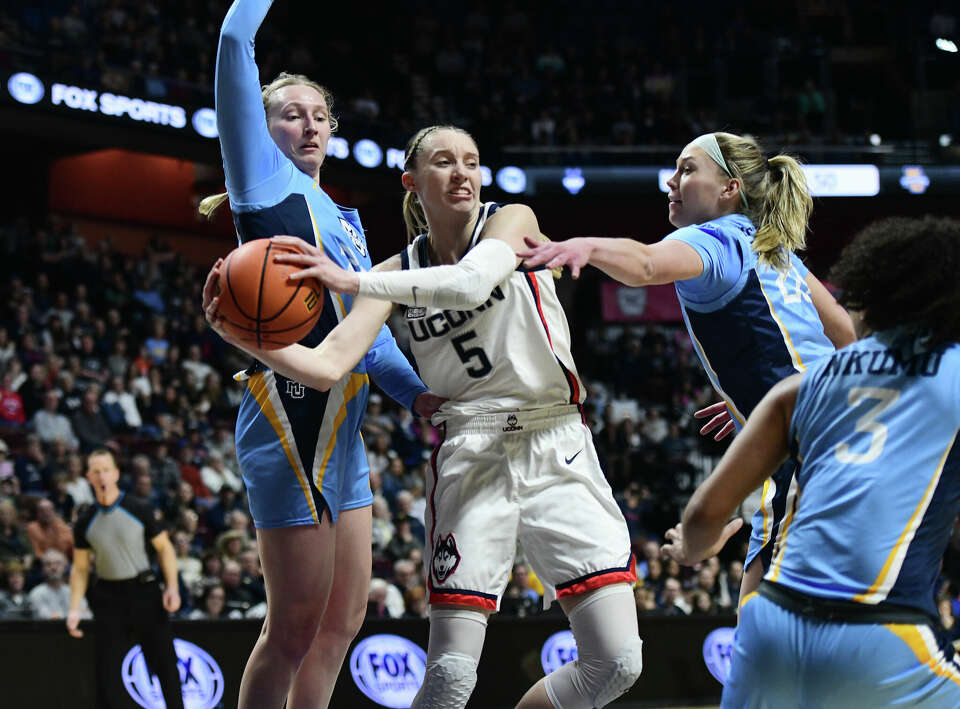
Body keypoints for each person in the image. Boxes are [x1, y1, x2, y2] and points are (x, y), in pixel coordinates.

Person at [204, 125, 643, 709]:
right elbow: (328, 364)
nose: (462, 172)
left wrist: (352, 279)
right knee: (449, 681)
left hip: (556, 439)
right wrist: (242, 336)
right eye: (443, 162)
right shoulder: (393, 272)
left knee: (617, 662)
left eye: (471, 160)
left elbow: (471, 282)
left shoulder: (510, 221)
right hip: (472, 452)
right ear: (413, 182)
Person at [199, 2, 440, 707]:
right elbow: (234, 36)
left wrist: (419, 396)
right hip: (290, 412)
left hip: (345, 427)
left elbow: (372, 334)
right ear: (260, 129)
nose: (308, 124)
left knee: (341, 622)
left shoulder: (341, 219)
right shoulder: (262, 182)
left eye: (319, 115)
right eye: (289, 113)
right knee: (293, 628)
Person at [520, 131, 855, 603]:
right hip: (847, 435)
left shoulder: (715, 239)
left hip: (806, 449)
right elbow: (846, 337)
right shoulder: (778, 254)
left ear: (729, 189)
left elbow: (646, 264)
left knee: (765, 645)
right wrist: (757, 393)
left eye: (687, 169)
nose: (671, 181)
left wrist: (587, 248)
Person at [661, 215, 960, 706]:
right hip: (882, 629)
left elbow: (701, 518)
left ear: (867, 298)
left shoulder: (803, 386)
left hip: (771, 625)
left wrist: (691, 550)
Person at [67, 449, 184, 709]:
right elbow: (80, 569)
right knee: (106, 671)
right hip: (109, 598)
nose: (102, 476)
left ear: (116, 473)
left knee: (165, 663)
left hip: (145, 592)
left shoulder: (139, 508)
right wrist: (74, 608)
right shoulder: (84, 521)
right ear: (88, 477)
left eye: (106, 469)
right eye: (95, 471)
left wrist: (172, 588)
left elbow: (165, 549)